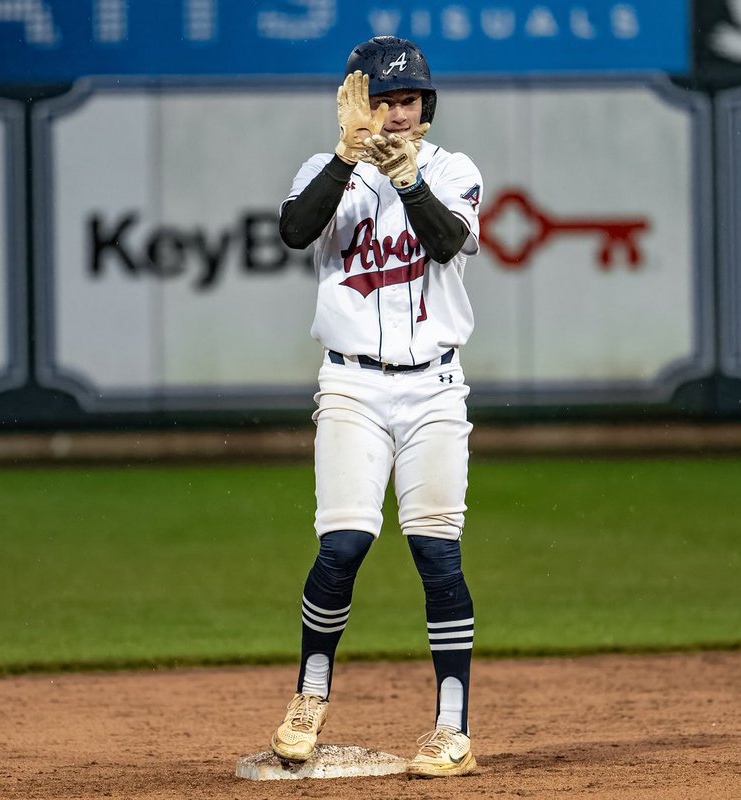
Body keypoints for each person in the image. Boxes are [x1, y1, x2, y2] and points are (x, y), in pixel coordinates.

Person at [269, 36, 483, 777]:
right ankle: (309, 695)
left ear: (427, 105)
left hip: (435, 387)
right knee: (345, 544)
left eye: (409, 99)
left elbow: (450, 244)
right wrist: (347, 157)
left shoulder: (453, 170)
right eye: (384, 99)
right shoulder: (328, 170)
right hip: (354, 384)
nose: (398, 112)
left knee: (436, 550)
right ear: (359, 103)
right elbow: (296, 231)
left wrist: (411, 180)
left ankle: (451, 726)